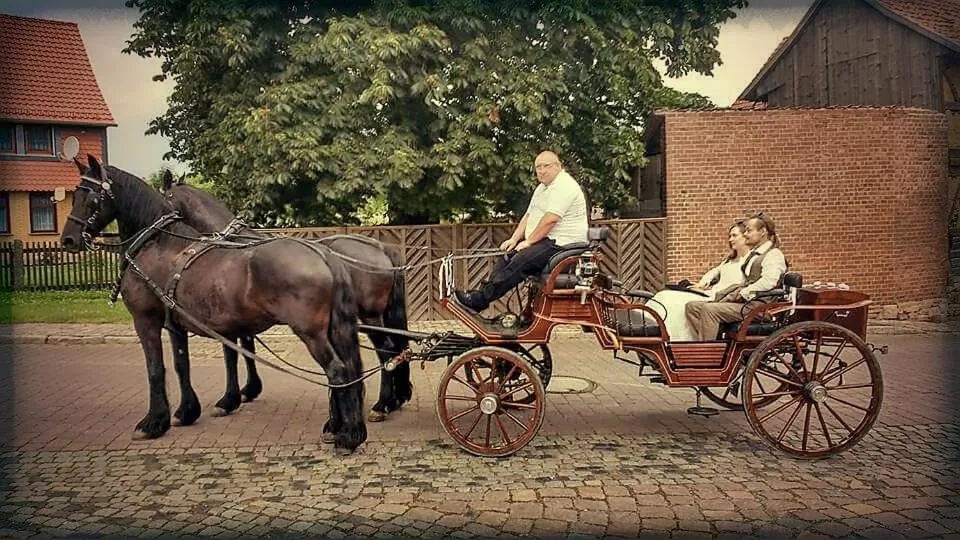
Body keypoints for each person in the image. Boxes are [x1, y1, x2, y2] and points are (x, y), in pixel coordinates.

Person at [455, 151, 589, 311]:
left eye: (546, 166)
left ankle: (480, 300)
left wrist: (528, 242)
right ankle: (481, 296)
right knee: (507, 257)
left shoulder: (564, 186)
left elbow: (550, 219)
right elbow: (528, 215)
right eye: (538, 167)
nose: (541, 170)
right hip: (548, 241)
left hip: (564, 244)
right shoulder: (542, 188)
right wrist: (514, 239)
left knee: (521, 260)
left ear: (558, 166)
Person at [685, 212, 787, 341]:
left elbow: (769, 282)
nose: (745, 234)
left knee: (709, 309)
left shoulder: (773, 254)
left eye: (749, 231)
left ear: (762, 232)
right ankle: (717, 342)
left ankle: (710, 352)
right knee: (692, 307)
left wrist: (744, 292)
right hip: (747, 303)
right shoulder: (755, 254)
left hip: (759, 307)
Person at [647, 221, 750, 341]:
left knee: (673, 301)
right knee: (664, 295)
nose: (731, 239)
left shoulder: (749, 261)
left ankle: (677, 339)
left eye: (734, 235)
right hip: (710, 292)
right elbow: (713, 273)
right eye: (729, 236)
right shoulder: (728, 260)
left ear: (745, 236)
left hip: (722, 298)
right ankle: (653, 327)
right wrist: (702, 284)